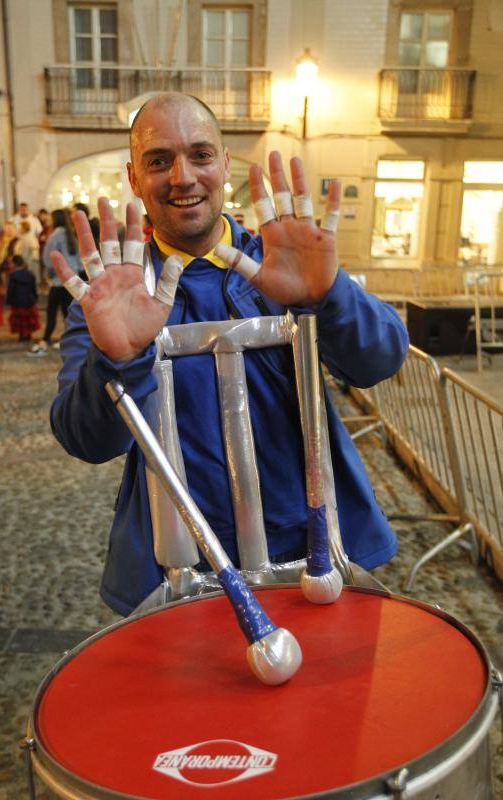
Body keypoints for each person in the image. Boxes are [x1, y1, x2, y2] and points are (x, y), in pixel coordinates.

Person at [49, 92, 409, 616]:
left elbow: (380, 360)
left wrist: (325, 297)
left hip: (323, 555)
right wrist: (117, 358)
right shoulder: (110, 298)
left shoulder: (282, 262)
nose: (182, 176)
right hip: (176, 573)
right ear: (133, 178)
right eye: (159, 161)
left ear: (223, 162)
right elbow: (87, 439)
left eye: (199, 154)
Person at [28, 208, 81, 356]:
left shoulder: (54, 236)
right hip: (72, 280)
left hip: (59, 281)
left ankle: (44, 342)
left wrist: (50, 273)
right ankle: (70, 340)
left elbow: (47, 258)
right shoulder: (71, 235)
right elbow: (78, 259)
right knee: (68, 312)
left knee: (51, 312)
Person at [6, 254, 40, 342]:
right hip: (29, 299)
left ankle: (21, 335)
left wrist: (9, 300)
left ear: (14, 263)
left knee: (20, 319)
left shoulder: (13, 275)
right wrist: (35, 297)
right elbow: (33, 288)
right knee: (28, 319)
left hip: (17, 300)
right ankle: (28, 334)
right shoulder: (30, 274)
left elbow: (11, 289)